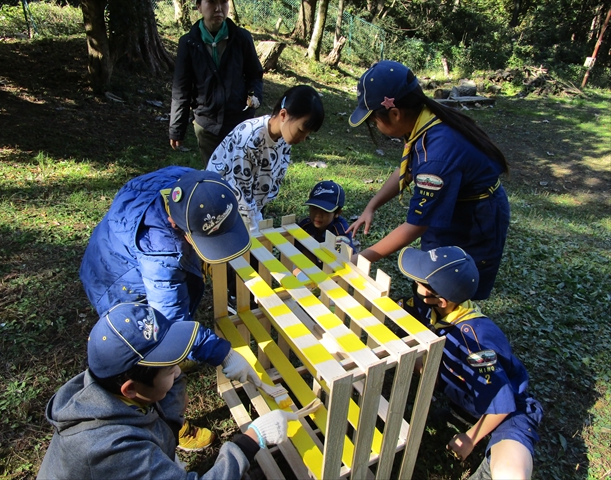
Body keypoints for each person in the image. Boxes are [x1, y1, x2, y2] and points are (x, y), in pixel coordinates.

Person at [79, 166, 254, 451]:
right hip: (120, 284)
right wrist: (223, 353)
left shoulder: (189, 185)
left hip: (111, 252)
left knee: (165, 363)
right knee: (159, 362)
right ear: (181, 229)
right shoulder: (160, 250)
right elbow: (169, 326)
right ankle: (171, 426)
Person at [37, 302, 297, 479]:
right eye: (170, 369)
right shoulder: (112, 450)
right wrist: (252, 440)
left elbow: (159, 393)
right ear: (130, 389)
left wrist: (224, 356)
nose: (178, 371)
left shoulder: (107, 383)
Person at [347, 60, 510, 300]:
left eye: (374, 120)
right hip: (452, 204)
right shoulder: (424, 119)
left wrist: (362, 258)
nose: (375, 125)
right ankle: (427, 309)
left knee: (455, 283)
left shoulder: (437, 155)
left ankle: (450, 331)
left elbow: (416, 225)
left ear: (394, 113)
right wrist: (372, 205)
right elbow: (409, 168)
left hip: (474, 220)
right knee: (430, 270)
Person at [397, 246, 543, 480]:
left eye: (419, 282)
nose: (414, 284)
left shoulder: (477, 342)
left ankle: (491, 455)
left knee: (511, 475)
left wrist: (470, 439)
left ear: (441, 300)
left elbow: (500, 402)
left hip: (506, 412)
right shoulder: (429, 306)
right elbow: (399, 308)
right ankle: (459, 415)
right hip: (465, 400)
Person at [206, 85, 325, 233]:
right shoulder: (249, 138)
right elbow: (239, 191)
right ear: (283, 115)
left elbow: (274, 179)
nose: (303, 138)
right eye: (301, 131)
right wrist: (254, 228)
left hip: (249, 208)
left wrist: (257, 217)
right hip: (219, 206)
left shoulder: (284, 140)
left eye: (307, 135)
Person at [169, 0, 264, 163]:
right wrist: (177, 129)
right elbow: (181, 89)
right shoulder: (189, 43)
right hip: (207, 124)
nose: (219, 8)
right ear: (199, 6)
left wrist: (254, 95)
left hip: (240, 122)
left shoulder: (241, 38)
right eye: (212, 2)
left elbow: (254, 75)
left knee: (240, 173)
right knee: (214, 179)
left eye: (223, 2)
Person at [299, 180, 357, 254]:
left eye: (325, 211)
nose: (318, 215)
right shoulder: (305, 225)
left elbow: (341, 257)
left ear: (337, 213)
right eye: (314, 208)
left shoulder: (340, 232)